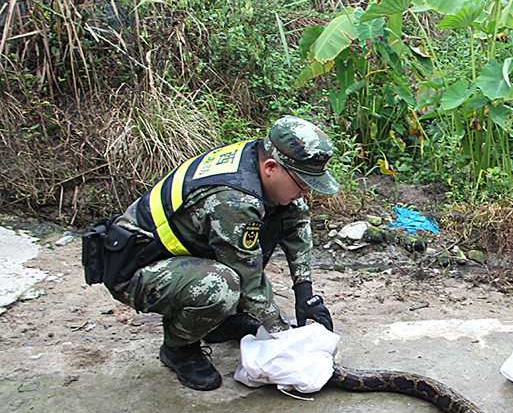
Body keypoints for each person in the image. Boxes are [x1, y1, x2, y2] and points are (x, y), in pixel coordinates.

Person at [91, 116, 339, 391]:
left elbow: (297, 221)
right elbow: (249, 280)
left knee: (281, 215)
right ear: (271, 167)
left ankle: (221, 323)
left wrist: (305, 293)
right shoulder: (234, 199)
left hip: (185, 254)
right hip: (136, 267)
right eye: (302, 184)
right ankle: (178, 348)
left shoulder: (260, 159)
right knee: (222, 285)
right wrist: (288, 338)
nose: (305, 192)